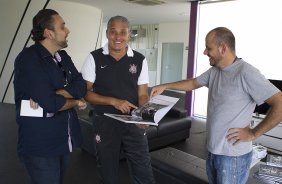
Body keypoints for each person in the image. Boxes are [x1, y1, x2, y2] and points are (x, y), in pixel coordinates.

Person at [150, 27, 282, 184]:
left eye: (209, 47)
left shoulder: (246, 72)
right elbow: (193, 82)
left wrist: (253, 134)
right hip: (213, 151)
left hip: (233, 157)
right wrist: (165, 85)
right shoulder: (215, 71)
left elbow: (279, 103)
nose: (205, 52)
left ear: (223, 48)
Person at [13, 9, 87, 184]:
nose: (67, 30)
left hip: (63, 139)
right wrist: (75, 100)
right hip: (41, 145)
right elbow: (51, 104)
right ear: (48, 33)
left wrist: (56, 93)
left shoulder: (63, 56)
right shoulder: (28, 59)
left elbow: (81, 85)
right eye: (62, 26)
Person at [81, 15, 155, 184]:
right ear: (107, 33)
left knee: (142, 167)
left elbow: (143, 94)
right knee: (107, 169)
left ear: (129, 35)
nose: (118, 37)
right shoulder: (93, 58)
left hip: (133, 121)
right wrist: (114, 101)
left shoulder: (140, 59)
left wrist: (144, 114)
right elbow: (86, 93)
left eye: (123, 33)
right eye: (113, 32)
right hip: (104, 122)